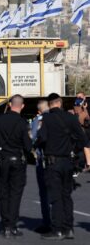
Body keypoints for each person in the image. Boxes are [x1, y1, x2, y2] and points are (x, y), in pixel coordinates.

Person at [36, 93, 87, 240]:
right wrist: (72, 149)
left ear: (50, 104)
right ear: (60, 103)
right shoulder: (71, 118)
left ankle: (57, 229)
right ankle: (69, 228)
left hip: (53, 162)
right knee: (67, 196)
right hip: (68, 162)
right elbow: (83, 140)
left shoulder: (46, 119)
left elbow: (42, 139)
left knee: (56, 197)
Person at [0, 94, 32, 238]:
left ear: (10, 104)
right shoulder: (23, 123)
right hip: (17, 160)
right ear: (22, 106)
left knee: (3, 193)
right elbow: (28, 147)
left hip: (3, 159)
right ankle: (12, 225)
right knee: (15, 194)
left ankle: (5, 226)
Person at [31, 100, 51, 234]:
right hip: (58, 159)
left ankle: (47, 222)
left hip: (42, 159)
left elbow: (33, 138)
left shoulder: (37, 121)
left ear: (39, 111)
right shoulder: (57, 118)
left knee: (44, 193)